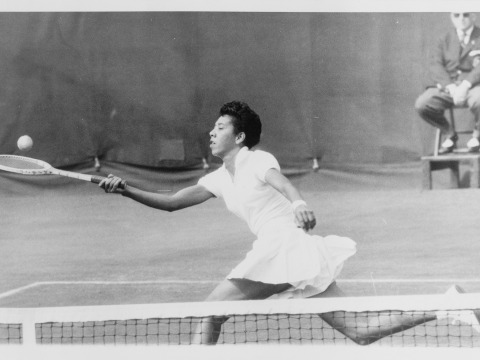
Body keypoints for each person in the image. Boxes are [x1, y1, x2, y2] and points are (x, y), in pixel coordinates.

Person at [99, 101, 479, 345]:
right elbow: (169, 203)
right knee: (359, 332)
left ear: (240, 136)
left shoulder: (255, 160)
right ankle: (447, 305)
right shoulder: (216, 178)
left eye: (220, 127)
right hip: (296, 255)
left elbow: (281, 183)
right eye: (212, 128)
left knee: (209, 311)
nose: (211, 133)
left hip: (282, 248)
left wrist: (298, 202)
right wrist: (125, 189)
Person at [415, 12, 480, 154]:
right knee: (423, 104)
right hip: (449, 87)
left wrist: (466, 85)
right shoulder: (444, 39)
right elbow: (435, 65)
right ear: (452, 18)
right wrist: (449, 86)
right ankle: (449, 133)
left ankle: (478, 135)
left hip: (474, 86)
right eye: (457, 15)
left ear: (474, 16)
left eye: (466, 15)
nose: (461, 19)